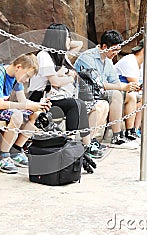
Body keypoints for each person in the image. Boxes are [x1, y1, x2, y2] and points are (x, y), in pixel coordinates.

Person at [28, 23, 107, 158]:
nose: (70, 40)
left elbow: (79, 45)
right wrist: (71, 77)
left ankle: (85, 144)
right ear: (59, 38)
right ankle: (71, 143)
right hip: (41, 98)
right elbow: (55, 82)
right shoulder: (44, 55)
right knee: (75, 104)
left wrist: (65, 40)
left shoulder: (60, 55)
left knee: (84, 104)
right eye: (67, 37)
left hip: (56, 98)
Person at [0, 53, 49, 173]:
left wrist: (38, 105)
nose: (26, 80)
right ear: (18, 67)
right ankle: (3, 156)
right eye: (27, 76)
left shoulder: (15, 79)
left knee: (37, 114)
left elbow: (23, 101)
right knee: (17, 115)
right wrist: (27, 106)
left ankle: (16, 150)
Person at [74, 30, 139, 149]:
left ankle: (125, 133)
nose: (116, 53)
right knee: (115, 94)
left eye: (118, 50)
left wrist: (126, 87)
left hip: (101, 92)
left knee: (129, 96)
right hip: (86, 93)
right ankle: (114, 137)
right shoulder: (87, 58)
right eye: (114, 49)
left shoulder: (108, 60)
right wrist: (121, 87)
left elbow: (114, 81)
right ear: (104, 46)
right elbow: (96, 83)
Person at [113, 39, 147, 140]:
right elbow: (137, 87)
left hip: (130, 91)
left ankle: (142, 129)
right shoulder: (130, 60)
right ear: (145, 50)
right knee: (141, 97)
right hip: (120, 91)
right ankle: (131, 130)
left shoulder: (141, 63)